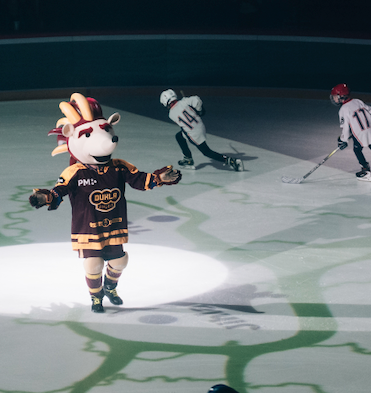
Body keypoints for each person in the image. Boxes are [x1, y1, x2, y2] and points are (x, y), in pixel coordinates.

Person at [30, 93, 180, 313]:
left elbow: (140, 180)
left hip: (113, 225)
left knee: (120, 261)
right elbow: (60, 190)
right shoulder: (75, 172)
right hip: (87, 228)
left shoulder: (119, 166)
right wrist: (46, 197)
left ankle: (110, 287)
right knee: (94, 264)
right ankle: (96, 297)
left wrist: (159, 178)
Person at [160, 89, 242, 170]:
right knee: (179, 136)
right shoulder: (185, 101)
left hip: (194, 134)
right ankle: (187, 158)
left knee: (207, 152)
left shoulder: (171, 114)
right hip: (200, 126)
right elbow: (196, 99)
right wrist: (200, 110)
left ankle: (231, 161)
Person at [330, 84, 371, 181]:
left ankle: (366, 171)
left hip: (360, 133)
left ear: (341, 96)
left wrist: (343, 140)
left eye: (335, 96)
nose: (334, 99)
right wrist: (369, 125)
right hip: (370, 129)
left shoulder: (343, 109)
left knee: (357, 150)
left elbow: (345, 128)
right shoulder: (357, 101)